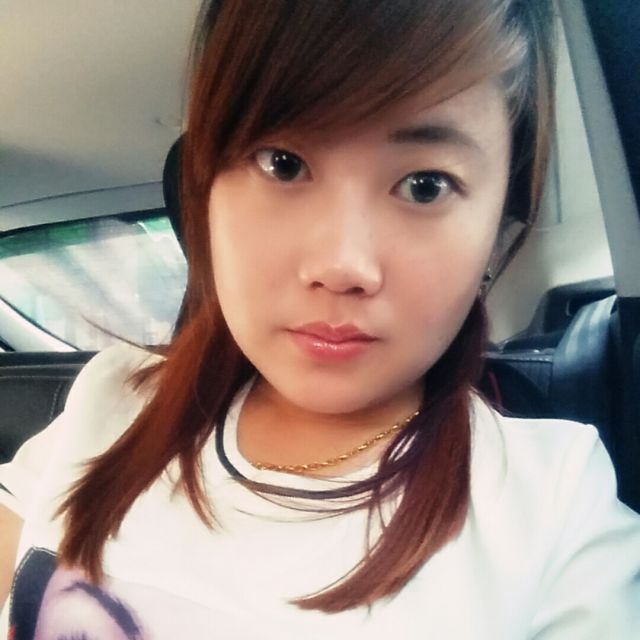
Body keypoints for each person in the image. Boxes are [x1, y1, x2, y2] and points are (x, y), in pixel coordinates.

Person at [1, 0, 639, 637]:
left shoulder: (553, 508)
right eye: (283, 163)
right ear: (204, 193)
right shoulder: (115, 399)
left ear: (498, 233)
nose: (341, 265)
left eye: (425, 185)